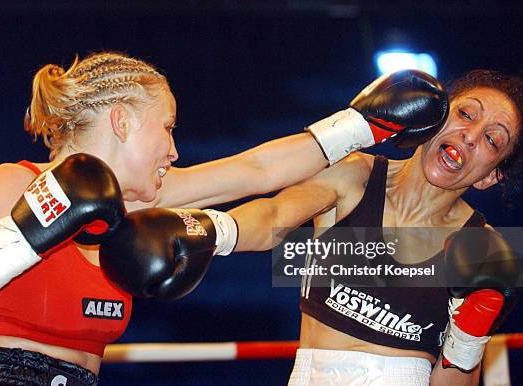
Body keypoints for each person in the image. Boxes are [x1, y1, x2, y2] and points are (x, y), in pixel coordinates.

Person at [0, 51, 446, 385]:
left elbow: (254, 169)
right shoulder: (12, 184)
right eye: (165, 127)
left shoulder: (140, 205)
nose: (173, 148)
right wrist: (33, 227)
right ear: (121, 122)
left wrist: (360, 126)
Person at [106, 69, 523, 386]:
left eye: (492, 140)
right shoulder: (355, 176)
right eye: (466, 114)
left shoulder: (482, 249)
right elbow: (274, 216)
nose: (470, 136)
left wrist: (467, 342)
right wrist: (213, 230)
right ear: (434, 117)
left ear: (490, 176)